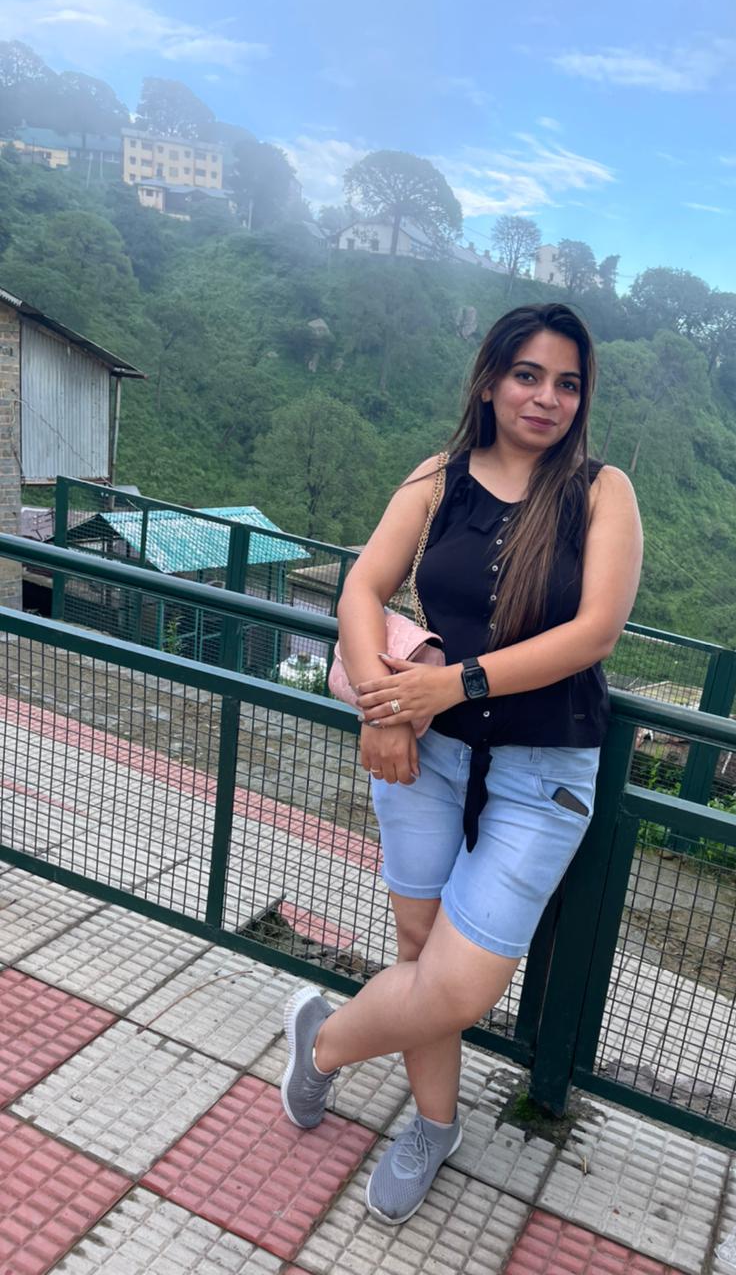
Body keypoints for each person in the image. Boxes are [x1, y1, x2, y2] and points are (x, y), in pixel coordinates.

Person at [280, 302, 643, 1225]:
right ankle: (435, 1126)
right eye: (528, 375)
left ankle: (323, 1044)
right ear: (489, 381)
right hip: (425, 754)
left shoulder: (602, 492)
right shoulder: (438, 478)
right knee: (417, 955)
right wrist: (385, 707)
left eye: (568, 383)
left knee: (461, 984)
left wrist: (453, 684)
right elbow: (362, 588)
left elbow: (595, 632)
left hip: (543, 772)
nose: (547, 397)